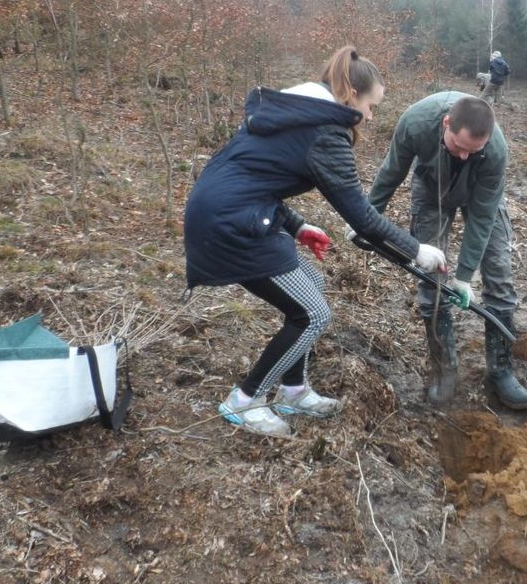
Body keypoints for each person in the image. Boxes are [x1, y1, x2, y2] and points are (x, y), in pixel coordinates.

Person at [184, 46, 447, 437]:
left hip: (232, 212)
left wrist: (296, 226)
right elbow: (362, 217)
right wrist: (417, 250)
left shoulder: (294, 111)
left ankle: (293, 390)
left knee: (314, 287)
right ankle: (244, 401)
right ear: (351, 95)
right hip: (229, 226)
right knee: (313, 314)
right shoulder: (323, 130)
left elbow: (256, 174)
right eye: (371, 107)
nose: (370, 117)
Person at [364, 91, 527, 410]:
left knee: (499, 277)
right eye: (459, 147)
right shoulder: (415, 123)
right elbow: (391, 172)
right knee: (432, 284)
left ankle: (501, 372)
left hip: (481, 197)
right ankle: (445, 370)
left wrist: (465, 277)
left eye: (474, 151)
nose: (465, 156)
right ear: (445, 125)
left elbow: (482, 218)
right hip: (431, 191)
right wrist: (366, 218)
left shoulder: (494, 150)